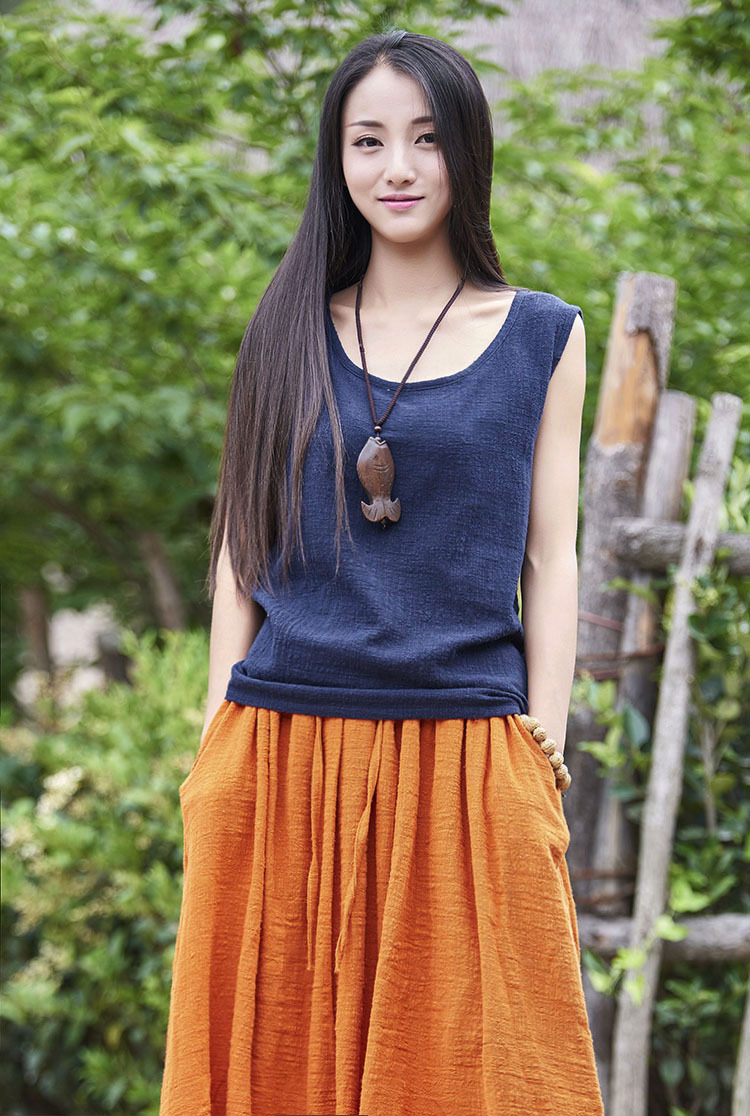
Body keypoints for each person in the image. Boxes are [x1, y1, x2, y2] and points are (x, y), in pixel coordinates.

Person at [159, 27, 604, 1116]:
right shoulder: (282, 330)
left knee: (492, 1078)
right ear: (338, 158)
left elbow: (551, 555)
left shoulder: (544, 336)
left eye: (425, 137)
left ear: (466, 150)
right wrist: (215, 747)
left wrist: (544, 748)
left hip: (468, 749)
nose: (397, 167)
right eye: (368, 141)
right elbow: (241, 547)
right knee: (277, 1075)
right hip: (282, 746)